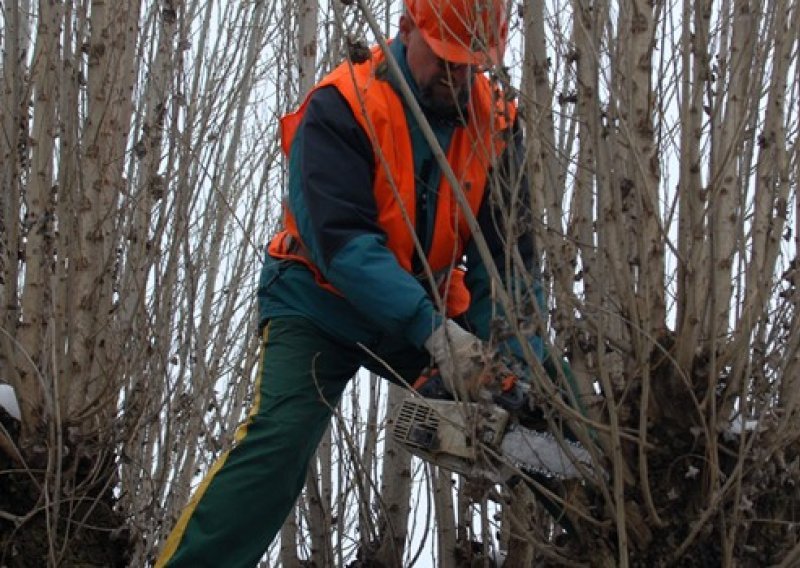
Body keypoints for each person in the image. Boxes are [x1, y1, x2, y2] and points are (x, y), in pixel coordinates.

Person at [155, 0, 545, 565]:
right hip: (318, 300)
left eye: (471, 65)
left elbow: (507, 261)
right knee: (279, 444)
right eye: (445, 61)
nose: (458, 77)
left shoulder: (497, 123)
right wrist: (434, 334)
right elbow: (343, 243)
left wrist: (512, 360)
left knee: (545, 403)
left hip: (426, 304)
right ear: (407, 29)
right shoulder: (342, 103)